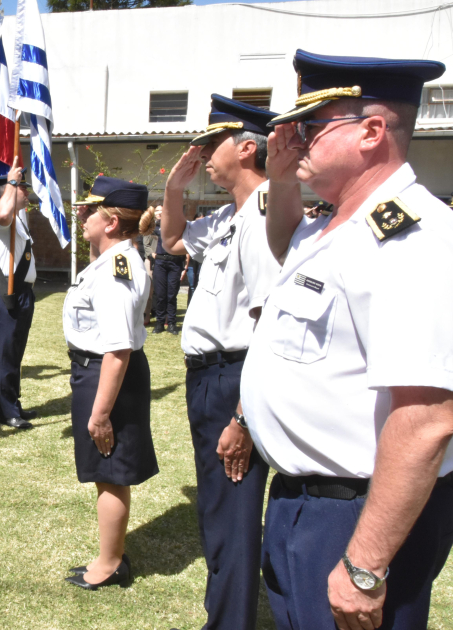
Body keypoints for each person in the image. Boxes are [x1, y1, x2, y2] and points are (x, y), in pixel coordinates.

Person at [241, 50, 453, 630]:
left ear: (372, 131)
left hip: (357, 515)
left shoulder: (409, 239)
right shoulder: (332, 224)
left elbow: (428, 418)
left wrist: (364, 566)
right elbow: (286, 249)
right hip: (303, 502)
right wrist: (283, 180)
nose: (292, 136)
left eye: (311, 125)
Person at [160, 94, 279, 630]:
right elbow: (170, 239)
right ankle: (222, 614)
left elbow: (271, 328)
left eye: (214, 143)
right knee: (216, 506)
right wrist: (173, 189)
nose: (204, 152)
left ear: (247, 147)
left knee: (232, 512)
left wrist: (244, 416)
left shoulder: (267, 212)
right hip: (207, 376)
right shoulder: (232, 215)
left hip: (236, 377)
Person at [62, 177, 156, 590]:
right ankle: (110, 552)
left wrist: (100, 414)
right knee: (106, 469)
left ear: (113, 222)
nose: (81, 214)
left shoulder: (118, 270)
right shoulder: (111, 259)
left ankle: (110, 563)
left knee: (110, 470)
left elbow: (118, 350)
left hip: (107, 374)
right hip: (97, 371)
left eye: (90, 210)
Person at [0, 158, 38, 430]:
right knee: (6, 354)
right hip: (9, 293)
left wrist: (14, 184)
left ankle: (13, 402)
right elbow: (3, 214)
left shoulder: (20, 219)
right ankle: (6, 411)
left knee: (16, 354)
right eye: (22, 188)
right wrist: (10, 183)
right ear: (7, 190)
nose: (27, 193)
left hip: (24, 293)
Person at [151, 205, 184, 334]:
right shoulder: (156, 226)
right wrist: (155, 216)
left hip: (174, 262)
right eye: (159, 212)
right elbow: (144, 228)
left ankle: (171, 323)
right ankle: (159, 323)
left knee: (171, 295)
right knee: (160, 294)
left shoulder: (176, 226)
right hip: (160, 261)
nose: (161, 214)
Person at [138, 207, 156, 325]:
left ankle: (149, 312)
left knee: (150, 289)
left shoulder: (151, 228)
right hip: (138, 259)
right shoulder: (132, 228)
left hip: (147, 259)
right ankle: (142, 313)